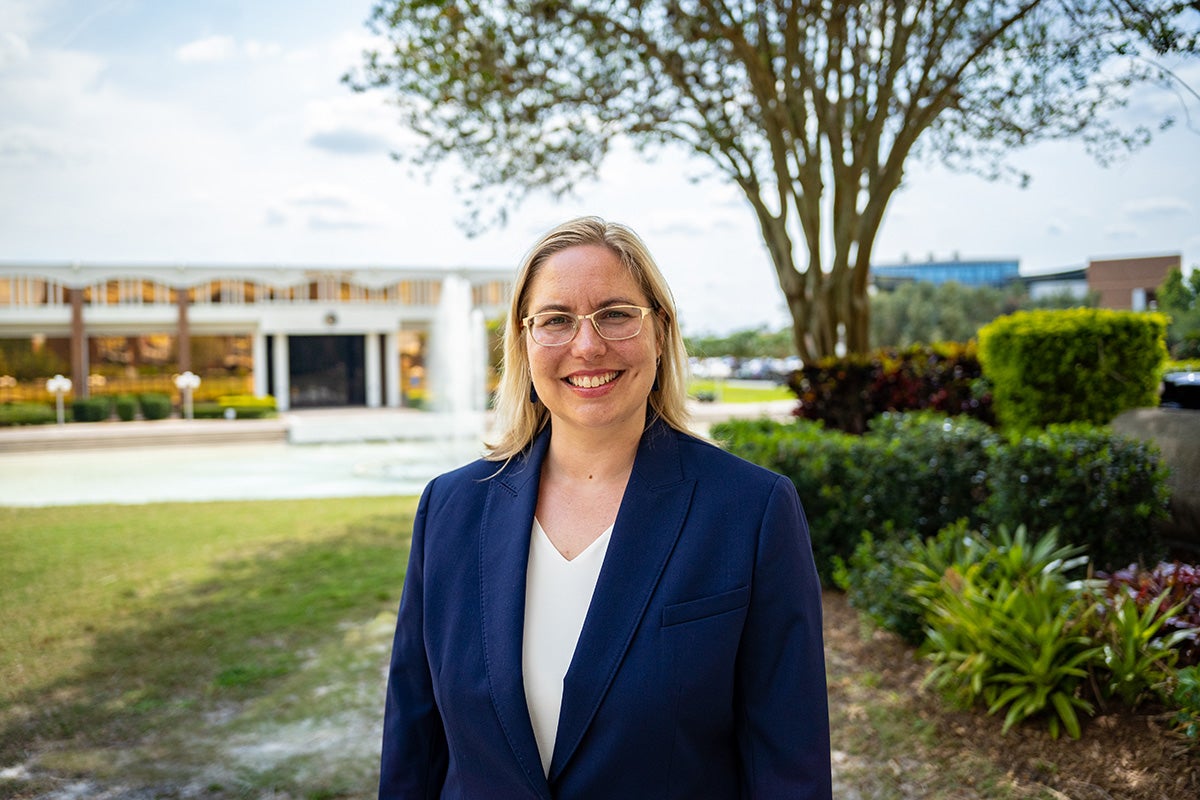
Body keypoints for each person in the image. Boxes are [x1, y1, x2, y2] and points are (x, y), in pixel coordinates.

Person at [379, 216, 832, 799]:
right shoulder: (450, 508)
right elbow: (414, 744)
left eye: (616, 314)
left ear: (660, 331)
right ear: (524, 342)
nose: (587, 345)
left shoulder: (752, 511)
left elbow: (788, 766)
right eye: (556, 320)